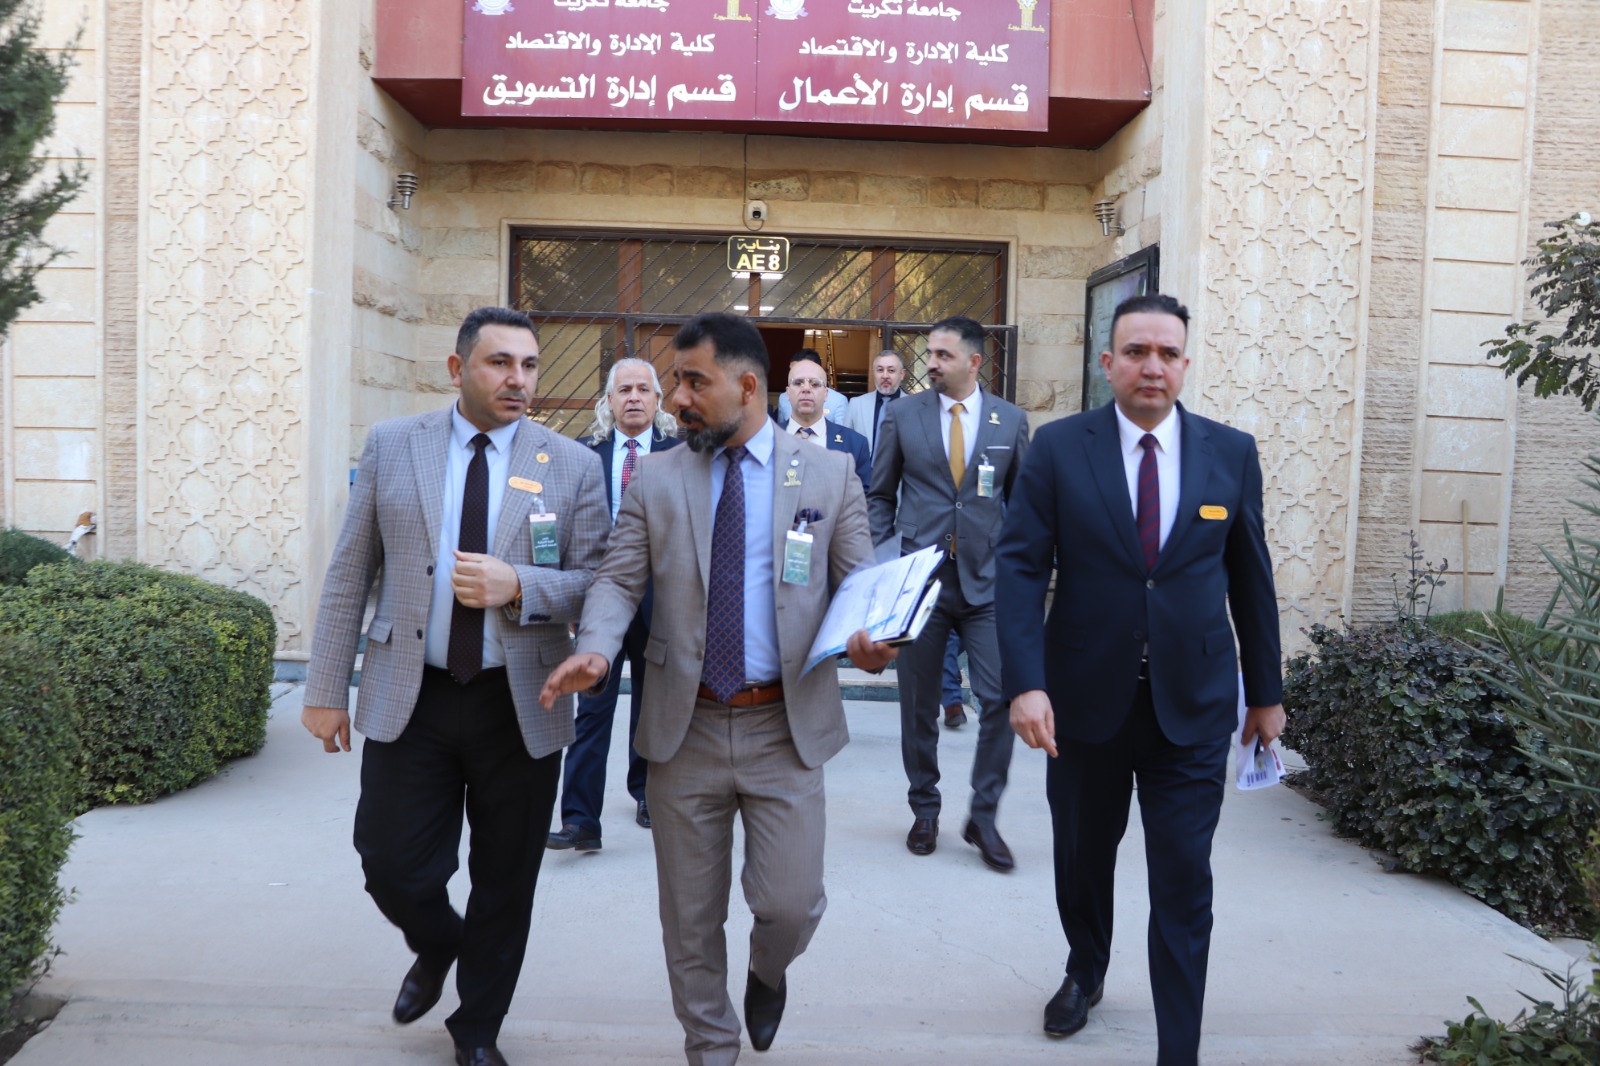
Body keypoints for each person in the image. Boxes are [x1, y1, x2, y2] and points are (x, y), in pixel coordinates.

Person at [540, 312, 896, 1066]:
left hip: (784, 728)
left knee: (790, 905)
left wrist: (870, 641)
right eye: (676, 382)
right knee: (690, 919)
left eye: (694, 382)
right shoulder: (657, 477)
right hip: (686, 728)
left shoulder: (828, 474)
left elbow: (860, 586)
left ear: (747, 386)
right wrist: (596, 649)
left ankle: (768, 972)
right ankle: (710, 1045)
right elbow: (618, 579)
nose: (677, 400)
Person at [300, 306, 610, 1066]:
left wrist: (520, 584)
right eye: (500, 363)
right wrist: (325, 685)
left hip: (521, 700)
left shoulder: (571, 464)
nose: (518, 380)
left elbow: (599, 582)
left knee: (506, 878)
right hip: (415, 693)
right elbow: (350, 570)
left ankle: (477, 1029)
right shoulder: (393, 444)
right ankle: (439, 941)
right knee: (390, 861)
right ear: (457, 368)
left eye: (529, 365)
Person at [995, 292, 1284, 1065]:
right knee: (1082, 859)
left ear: (1185, 363)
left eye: (1166, 353)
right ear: (1108, 362)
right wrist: (1025, 682)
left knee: (1184, 878)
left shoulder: (1230, 453)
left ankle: (1178, 1048)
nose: (1152, 366)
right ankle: (1085, 967)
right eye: (1136, 352)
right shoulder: (1059, 449)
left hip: (1192, 706)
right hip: (1083, 702)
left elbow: (1251, 579)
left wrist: (1266, 694)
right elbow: (1019, 568)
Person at [865, 315, 1030, 872]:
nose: (930, 363)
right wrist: (886, 563)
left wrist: (1020, 571)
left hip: (987, 585)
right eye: (929, 353)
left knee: (1000, 699)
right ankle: (925, 808)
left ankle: (983, 815)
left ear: (974, 362)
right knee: (918, 705)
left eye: (942, 355)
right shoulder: (903, 415)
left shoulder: (1010, 420)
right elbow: (880, 495)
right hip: (921, 584)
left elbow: (1024, 506)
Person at [547, 358, 681, 851]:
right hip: (600, 599)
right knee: (592, 706)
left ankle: (647, 794)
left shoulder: (680, 455)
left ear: (658, 399)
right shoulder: (585, 455)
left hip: (662, 599)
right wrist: (570, 601)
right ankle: (581, 819)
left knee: (653, 704)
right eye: (624, 390)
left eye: (644, 389)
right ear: (608, 400)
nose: (634, 397)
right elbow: (565, 528)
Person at [778, 356, 872, 487]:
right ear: (787, 393)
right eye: (798, 383)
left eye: (815, 384)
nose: (806, 389)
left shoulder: (855, 444)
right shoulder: (767, 440)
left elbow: (865, 496)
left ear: (826, 394)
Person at [842, 349, 906, 455]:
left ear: (902, 374)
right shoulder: (856, 405)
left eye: (891, 370)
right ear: (873, 373)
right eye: (880, 370)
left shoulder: (914, 407)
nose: (885, 376)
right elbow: (845, 443)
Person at [773, 348, 848, 424]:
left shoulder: (838, 400)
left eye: (800, 369)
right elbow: (782, 427)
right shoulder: (783, 398)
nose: (794, 373)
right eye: (791, 370)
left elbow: (842, 430)